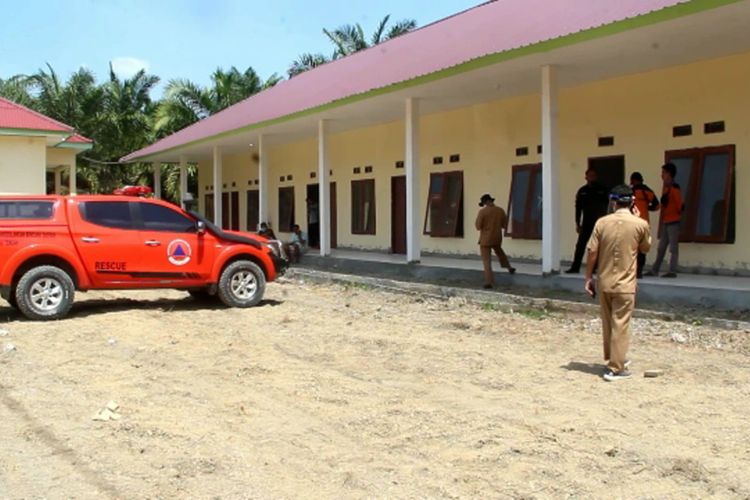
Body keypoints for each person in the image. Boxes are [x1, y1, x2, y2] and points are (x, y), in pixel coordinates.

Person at [585, 185, 651, 381]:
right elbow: (646, 248)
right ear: (632, 202)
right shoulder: (640, 224)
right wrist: (641, 220)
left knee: (608, 323)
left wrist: (589, 277)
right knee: (621, 324)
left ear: (613, 202)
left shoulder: (601, 223)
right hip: (626, 283)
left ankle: (614, 358)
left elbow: (592, 252)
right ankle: (616, 368)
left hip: (604, 281)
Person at [566, 169, 609, 273]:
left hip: (600, 223)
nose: (592, 177)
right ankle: (575, 267)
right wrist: (577, 223)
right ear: (586, 177)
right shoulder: (582, 191)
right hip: (586, 223)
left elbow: (609, 206)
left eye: (594, 175)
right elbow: (578, 208)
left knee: (597, 246)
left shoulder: (603, 189)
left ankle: (595, 267)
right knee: (580, 245)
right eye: (590, 175)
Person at [646, 163, 682, 278]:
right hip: (666, 221)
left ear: (669, 174)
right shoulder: (666, 188)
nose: (662, 175)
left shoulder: (675, 188)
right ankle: (655, 269)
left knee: (673, 247)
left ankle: (672, 271)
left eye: (664, 173)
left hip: (673, 221)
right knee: (661, 247)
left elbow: (680, 205)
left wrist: (676, 216)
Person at [475, 193, 515, 289]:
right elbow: (504, 225)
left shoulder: (483, 212)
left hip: (485, 239)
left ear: (486, 202)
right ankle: (509, 268)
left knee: (486, 261)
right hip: (497, 237)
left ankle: (489, 281)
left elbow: (478, 226)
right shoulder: (500, 210)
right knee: (500, 253)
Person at [630, 172, 660, 278]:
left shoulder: (630, 191)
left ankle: (632, 270)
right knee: (642, 248)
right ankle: (639, 271)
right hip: (644, 223)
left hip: (632, 223)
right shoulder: (648, 191)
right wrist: (647, 208)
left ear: (633, 180)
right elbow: (657, 206)